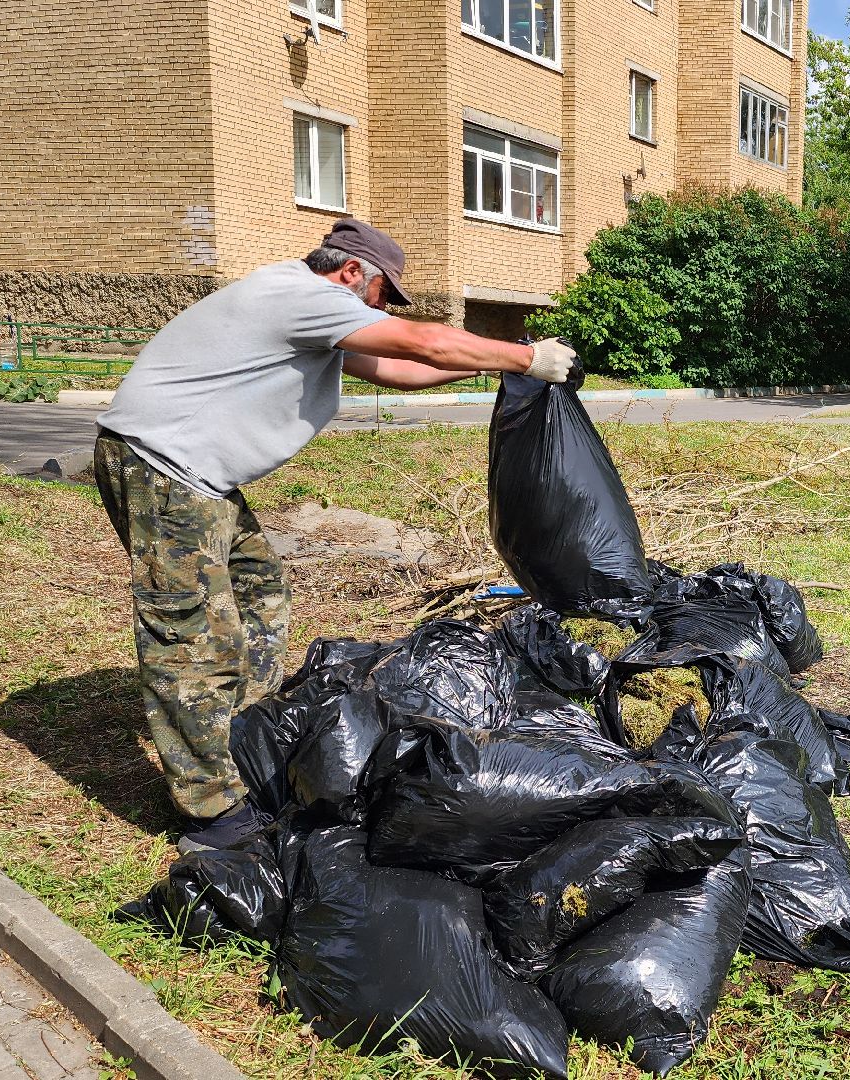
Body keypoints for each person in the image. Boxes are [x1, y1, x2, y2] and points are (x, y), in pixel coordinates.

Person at [93, 219, 579, 853]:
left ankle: (242, 733)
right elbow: (423, 342)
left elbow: (400, 368)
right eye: (382, 296)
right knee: (191, 635)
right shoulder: (298, 293)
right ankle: (212, 810)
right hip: (161, 467)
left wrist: (499, 372)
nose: (380, 310)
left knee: (259, 589)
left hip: (195, 477)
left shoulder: (310, 317)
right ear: (352, 273)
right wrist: (524, 355)